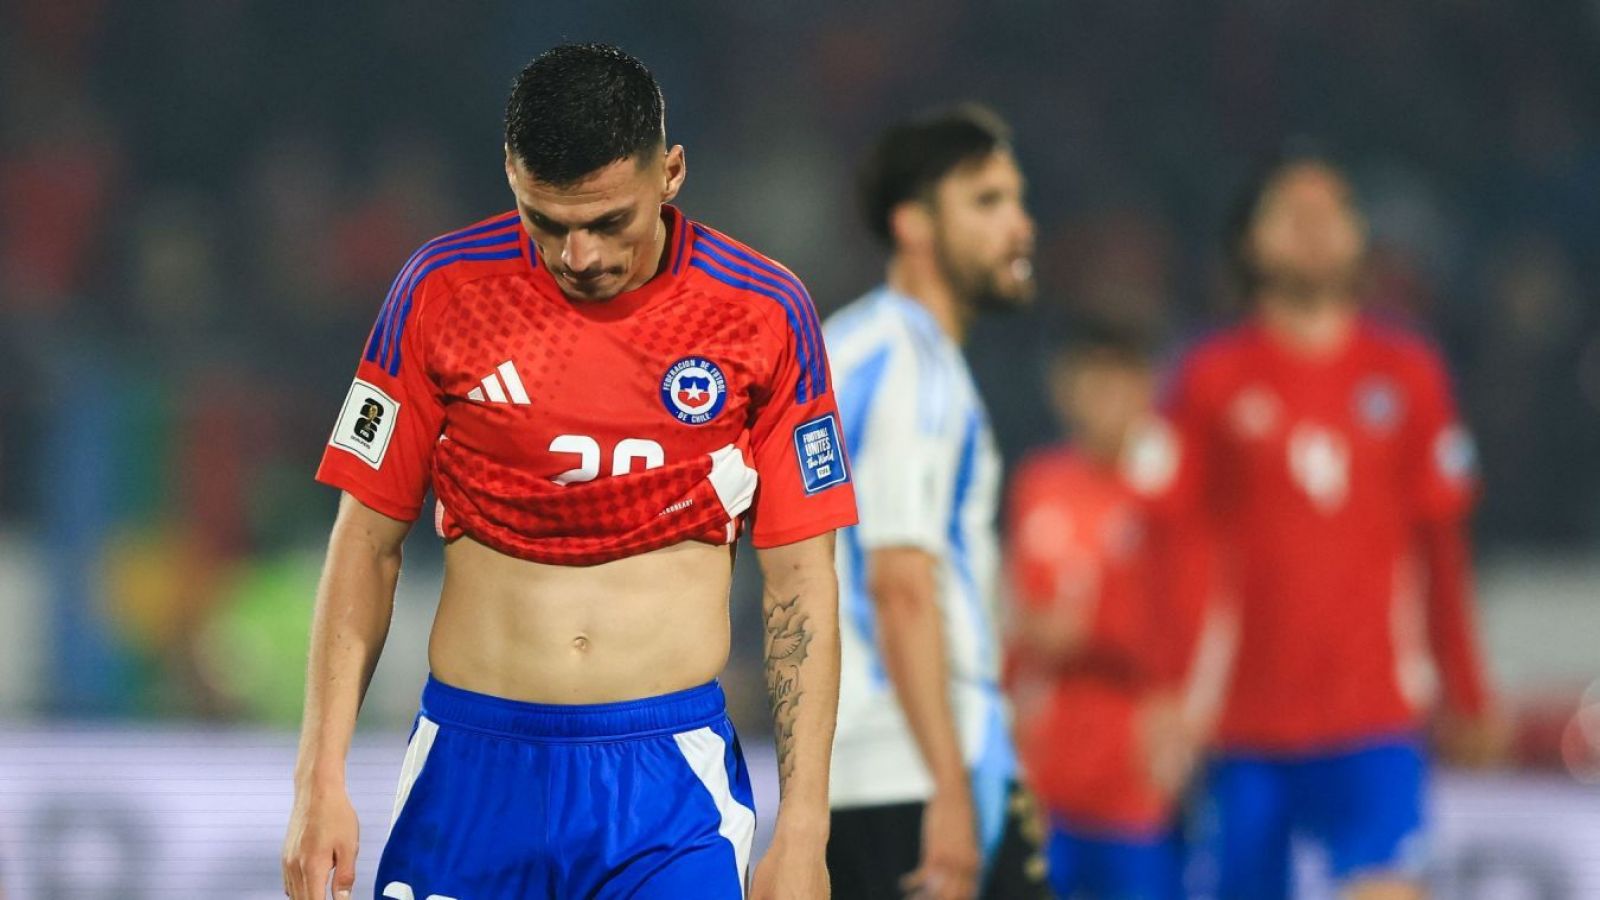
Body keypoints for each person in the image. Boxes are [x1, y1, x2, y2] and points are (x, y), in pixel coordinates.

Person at [282, 43, 856, 900]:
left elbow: (801, 580)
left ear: (671, 173)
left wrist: (805, 827)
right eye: (545, 223)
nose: (577, 256)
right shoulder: (442, 290)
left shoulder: (762, 312)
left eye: (609, 222)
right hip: (471, 772)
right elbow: (365, 543)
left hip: (667, 793)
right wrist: (317, 779)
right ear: (511, 178)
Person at [1169, 152, 1504, 900]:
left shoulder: (1409, 371)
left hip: (1374, 713)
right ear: (1251, 241)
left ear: (1359, 236)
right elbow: (1175, 548)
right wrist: (1164, 692)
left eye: (1333, 212)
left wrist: (1468, 690)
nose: (1315, 228)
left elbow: (1441, 548)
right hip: (1243, 723)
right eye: (1292, 213)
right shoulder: (1209, 378)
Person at [822, 104, 1048, 900]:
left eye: (1017, 200)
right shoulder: (912, 368)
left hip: (853, 760)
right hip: (916, 764)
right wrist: (951, 786)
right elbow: (900, 583)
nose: (1020, 226)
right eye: (987, 202)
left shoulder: (846, 345)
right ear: (913, 224)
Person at [1003, 319, 1200, 900]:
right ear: (1064, 387)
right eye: (1091, 379)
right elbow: (1020, 617)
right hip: (1048, 769)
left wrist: (1088, 628)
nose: (1105, 397)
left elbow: (1186, 620)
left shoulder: (1172, 493)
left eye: (1120, 379)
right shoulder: (1040, 482)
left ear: (1148, 387)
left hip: (1137, 776)